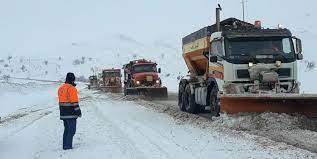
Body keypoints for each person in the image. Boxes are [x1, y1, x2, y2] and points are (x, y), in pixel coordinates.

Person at [58, 72, 82, 150]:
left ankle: (65, 145)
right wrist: (78, 112)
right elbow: (75, 102)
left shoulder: (61, 88)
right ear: (73, 79)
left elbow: (62, 101)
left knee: (67, 130)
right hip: (71, 113)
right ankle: (68, 147)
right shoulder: (72, 89)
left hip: (63, 113)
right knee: (72, 130)